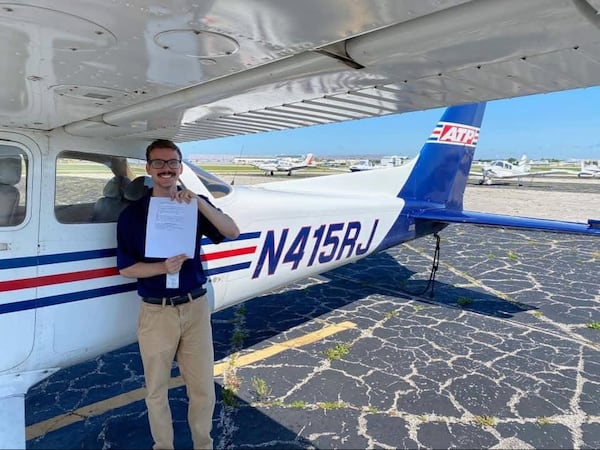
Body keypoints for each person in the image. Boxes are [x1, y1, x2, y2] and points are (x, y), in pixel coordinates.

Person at [116, 139, 240, 450]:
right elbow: (127, 268)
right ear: (148, 168)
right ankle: (164, 446)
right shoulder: (132, 215)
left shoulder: (192, 206)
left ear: (180, 167)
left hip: (195, 306)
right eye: (158, 163)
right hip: (157, 312)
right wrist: (162, 268)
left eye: (172, 162)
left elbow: (231, 231)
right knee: (156, 391)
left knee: (203, 389)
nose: (166, 168)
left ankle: (203, 445)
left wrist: (199, 202)